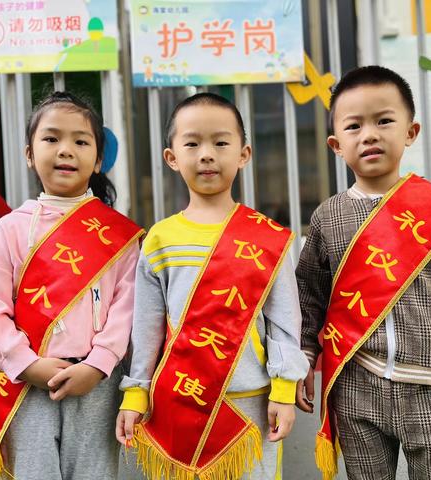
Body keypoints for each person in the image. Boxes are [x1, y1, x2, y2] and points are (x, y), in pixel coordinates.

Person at [116, 92, 309, 480]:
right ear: (171, 157)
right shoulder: (159, 239)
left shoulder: (269, 239)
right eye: (192, 143)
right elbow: (147, 327)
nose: (207, 154)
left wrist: (284, 392)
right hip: (177, 401)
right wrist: (135, 392)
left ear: (244, 154)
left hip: (250, 405)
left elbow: (286, 323)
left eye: (221, 142)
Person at [296, 65, 431, 480]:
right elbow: (310, 293)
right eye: (354, 126)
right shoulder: (329, 216)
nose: (370, 134)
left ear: (411, 132)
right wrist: (306, 355)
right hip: (357, 384)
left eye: (384, 121)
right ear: (336, 144)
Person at [0, 91, 144, 479]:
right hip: (26, 382)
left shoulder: (118, 235)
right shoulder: (8, 230)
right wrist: (26, 363)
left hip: (95, 382)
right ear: (29, 153)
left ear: (98, 159)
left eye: (80, 141)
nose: (66, 150)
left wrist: (98, 365)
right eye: (51, 138)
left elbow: (126, 309)